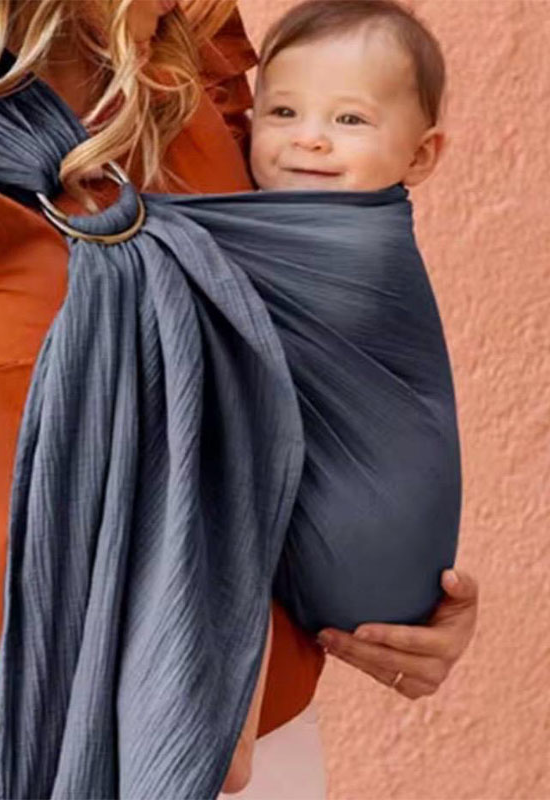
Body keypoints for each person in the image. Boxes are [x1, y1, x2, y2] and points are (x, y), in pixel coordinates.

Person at [0, 1, 478, 798]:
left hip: (269, 756)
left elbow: (274, 392)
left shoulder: (192, 89)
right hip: (28, 768)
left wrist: (394, 585)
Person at [220, 1, 480, 796]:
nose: (309, 139)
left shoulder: (359, 249)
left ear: (422, 155)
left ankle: (230, 713)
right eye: (284, 113)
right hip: (345, 573)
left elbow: (144, 235)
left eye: (349, 119)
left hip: (373, 557)